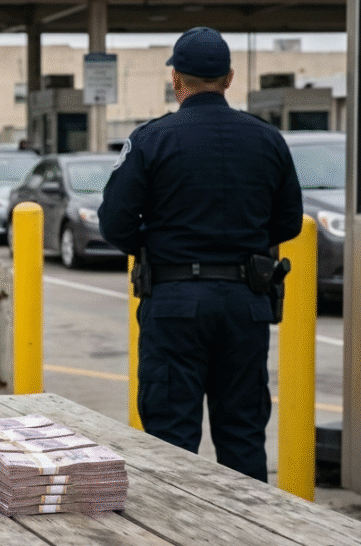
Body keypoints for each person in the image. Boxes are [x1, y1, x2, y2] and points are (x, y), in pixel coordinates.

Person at [98, 26, 302, 483]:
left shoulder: (152, 139)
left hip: (173, 304)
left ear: (176, 79)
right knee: (244, 435)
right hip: (245, 303)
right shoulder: (268, 140)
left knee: (170, 439)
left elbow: (114, 222)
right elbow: (288, 222)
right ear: (229, 78)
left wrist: (152, 246)